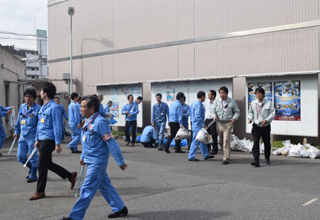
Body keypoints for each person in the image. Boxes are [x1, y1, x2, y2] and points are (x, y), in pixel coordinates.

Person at [61, 95, 128, 220]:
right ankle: (120, 208)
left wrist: (120, 161)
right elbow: (86, 141)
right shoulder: (87, 121)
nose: (80, 109)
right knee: (104, 185)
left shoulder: (100, 122)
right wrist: (83, 156)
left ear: (92, 108)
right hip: (90, 160)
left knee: (86, 189)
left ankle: (75, 217)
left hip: (98, 162)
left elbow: (111, 142)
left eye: (82, 107)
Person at [29, 82, 77, 200]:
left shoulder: (54, 108)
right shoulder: (43, 107)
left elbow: (57, 126)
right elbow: (39, 126)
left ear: (45, 93)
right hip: (42, 139)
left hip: (49, 140)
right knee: (47, 164)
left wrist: (57, 143)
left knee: (41, 165)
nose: (39, 93)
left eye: (41, 91)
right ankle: (69, 175)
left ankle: (40, 191)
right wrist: (36, 139)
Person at [13, 88, 41, 183]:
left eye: (29, 97)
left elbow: (39, 126)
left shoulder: (38, 109)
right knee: (20, 156)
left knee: (33, 157)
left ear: (34, 98)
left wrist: (38, 139)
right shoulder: (22, 107)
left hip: (33, 137)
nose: (27, 99)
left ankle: (33, 175)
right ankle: (31, 168)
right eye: (26, 96)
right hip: (23, 136)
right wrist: (16, 131)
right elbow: (18, 120)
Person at [211, 86, 240, 165]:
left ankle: (226, 158)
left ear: (226, 93)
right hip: (219, 123)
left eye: (223, 93)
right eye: (220, 93)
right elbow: (213, 110)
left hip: (228, 123)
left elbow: (237, 111)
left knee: (226, 141)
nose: (222, 94)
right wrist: (214, 116)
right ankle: (225, 154)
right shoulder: (216, 101)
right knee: (221, 141)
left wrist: (234, 118)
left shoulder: (231, 101)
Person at [248, 88, 275, 167]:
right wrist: (250, 118)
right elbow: (250, 112)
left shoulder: (268, 103)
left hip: (265, 126)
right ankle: (256, 160)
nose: (258, 95)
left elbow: (272, 114)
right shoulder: (253, 103)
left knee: (266, 142)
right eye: (256, 93)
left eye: (259, 93)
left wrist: (266, 120)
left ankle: (267, 157)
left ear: (263, 94)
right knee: (256, 142)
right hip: (256, 126)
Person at [188, 91, 214, 161]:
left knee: (202, 140)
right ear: (202, 96)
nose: (205, 98)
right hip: (198, 125)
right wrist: (203, 124)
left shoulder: (193, 104)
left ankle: (206, 155)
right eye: (205, 96)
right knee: (196, 141)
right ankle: (191, 156)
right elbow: (198, 116)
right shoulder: (198, 104)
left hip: (195, 124)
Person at [203, 90, 218, 154]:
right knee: (206, 135)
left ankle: (214, 149)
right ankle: (208, 148)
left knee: (214, 135)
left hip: (213, 121)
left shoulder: (217, 103)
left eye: (209, 94)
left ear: (213, 95)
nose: (208, 96)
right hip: (207, 120)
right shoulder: (205, 103)